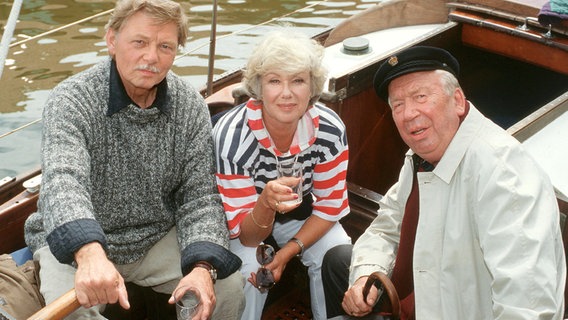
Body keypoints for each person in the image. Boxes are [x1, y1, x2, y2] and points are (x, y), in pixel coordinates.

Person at [24, 0, 245, 319]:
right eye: (139, 42)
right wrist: (89, 253)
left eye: (165, 46)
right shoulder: (71, 100)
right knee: (70, 315)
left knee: (228, 289)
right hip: (77, 248)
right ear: (111, 40)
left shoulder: (190, 107)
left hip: (153, 237)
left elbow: (199, 198)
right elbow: (63, 183)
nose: (151, 57)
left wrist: (202, 266)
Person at [322, 46, 566, 319]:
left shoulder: (505, 177)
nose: (408, 114)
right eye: (398, 105)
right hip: (415, 302)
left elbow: (528, 308)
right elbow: (387, 227)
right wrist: (364, 276)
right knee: (337, 261)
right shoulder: (421, 156)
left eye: (420, 96)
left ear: (458, 100)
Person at [212, 30, 352, 320]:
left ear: (311, 86)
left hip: (299, 212)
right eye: (275, 81)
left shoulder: (329, 129)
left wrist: (286, 253)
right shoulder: (230, 138)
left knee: (336, 251)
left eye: (298, 80)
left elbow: (328, 207)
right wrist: (265, 203)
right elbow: (249, 236)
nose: (287, 93)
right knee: (250, 272)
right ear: (259, 88)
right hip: (245, 222)